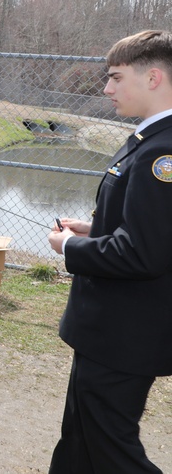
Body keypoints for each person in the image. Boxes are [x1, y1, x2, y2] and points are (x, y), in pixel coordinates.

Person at [47, 30, 172, 473]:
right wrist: (94, 228)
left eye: (116, 78)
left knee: (110, 449)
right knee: (79, 441)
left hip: (125, 335)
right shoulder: (149, 139)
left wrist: (71, 247)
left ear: (153, 77)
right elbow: (146, 228)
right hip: (108, 331)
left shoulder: (163, 153)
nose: (106, 89)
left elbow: (142, 253)